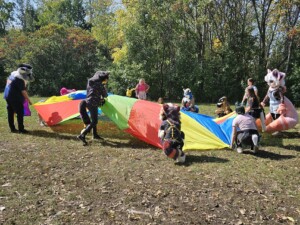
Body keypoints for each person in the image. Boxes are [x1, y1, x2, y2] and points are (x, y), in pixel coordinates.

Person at [77, 71, 109, 145]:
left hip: (87, 101)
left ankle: (95, 135)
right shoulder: (100, 84)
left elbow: (91, 93)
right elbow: (105, 95)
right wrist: (104, 87)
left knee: (94, 119)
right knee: (94, 121)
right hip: (93, 103)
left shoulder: (90, 82)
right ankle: (82, 135)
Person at [4, 63, 34, 133]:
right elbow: (23, 92)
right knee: (20, 113)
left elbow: (8, 84)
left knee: (10, 112)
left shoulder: (11, 75)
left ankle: (12, 129)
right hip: (15, 98)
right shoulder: (19, 79)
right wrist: (29, 100)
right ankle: (21, 129)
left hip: (8, 96)